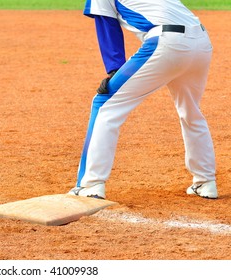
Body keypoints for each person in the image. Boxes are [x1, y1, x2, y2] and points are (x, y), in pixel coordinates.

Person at [68, 0, 218, 199]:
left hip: (167, 42)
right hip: (201, 41)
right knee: (190, 110)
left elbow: (106, 24)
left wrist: (114, 70)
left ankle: (90, 184)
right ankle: (205, 181)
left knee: (104, 103)